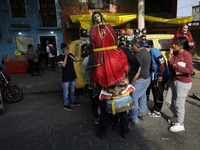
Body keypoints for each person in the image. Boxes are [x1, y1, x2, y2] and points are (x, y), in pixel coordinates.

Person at [87, 11, 133, 139]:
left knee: (111, 111)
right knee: (118, 110)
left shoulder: (112, 55)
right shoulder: (117, 54)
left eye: (98, 16)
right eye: (94, 17)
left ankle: (108, 132)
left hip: (109, 87)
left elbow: (92, 74)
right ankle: (122, 131)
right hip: (110, 86)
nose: (96, 19)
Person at [165, 37, 193, 132]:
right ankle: (177, 116)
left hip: (183, 82)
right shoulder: (176, 54)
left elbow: (190, 70)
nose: (173, 45)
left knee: (179, 103)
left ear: (181, 46)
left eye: (176, 44)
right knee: (168, 100)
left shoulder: (186, 55)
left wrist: (176, 66)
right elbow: (172, 68)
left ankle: (180, 124)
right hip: (174, 80)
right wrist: (169, 60)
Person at [129, 37, 151, 125]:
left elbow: (137, 71)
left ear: (135, 45)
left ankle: (134, 118)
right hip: (147, 78)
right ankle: (142, 114)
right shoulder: (146, 51)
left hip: (140, 80)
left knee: (133, 98)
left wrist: (131, 82)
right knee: (142, 96)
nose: (132, 48)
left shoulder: (138, 55)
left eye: (132, 46)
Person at [145, 40, 170, 117]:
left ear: (150, 46)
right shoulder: (149, 53)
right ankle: (156, 108)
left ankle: (157, 112)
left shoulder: (154, 50)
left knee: (158, 93)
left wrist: (160, 75)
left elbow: (162, 62)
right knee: (155, 92)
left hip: (161, 76)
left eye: (145, 48)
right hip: (156, 76)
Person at [57, 42, 81, 111]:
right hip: (65, 77)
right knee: (66, 92)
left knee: (73, 90)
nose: (66, 50)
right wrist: (66, 56)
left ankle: (73, 101)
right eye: (64, 49)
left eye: (67, 49)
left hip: (72, 75)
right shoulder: (60, 57)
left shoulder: (70, 54)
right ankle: (66, 104)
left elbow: (76, 60)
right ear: (62, 49)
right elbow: (63, 65)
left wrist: (69, 55)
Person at [81, 51, 100, 125]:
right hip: (100, 84)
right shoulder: (100, 57)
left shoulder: (86, 59)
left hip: (91, 84)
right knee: (102, 101)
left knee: (94, 102)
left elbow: (83, 72)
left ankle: (96, 117)